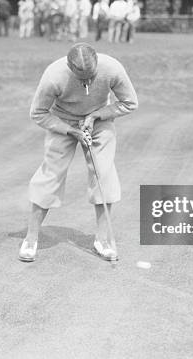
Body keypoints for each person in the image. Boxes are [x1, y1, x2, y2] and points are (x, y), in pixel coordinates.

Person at [20, 43, 138, 263]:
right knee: (51, 174)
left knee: (104, 173)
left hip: (99, 119)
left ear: (97, 64)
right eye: (80, 78)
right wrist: (70, 130)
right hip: (62, 120)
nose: (87, 83)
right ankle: (30, 238)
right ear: (69, 67)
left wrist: (97, 116)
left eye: (91, 77)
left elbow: (130, 103)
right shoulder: (53, 76)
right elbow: (38, 113)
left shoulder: (112, 69)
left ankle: (101, 240)